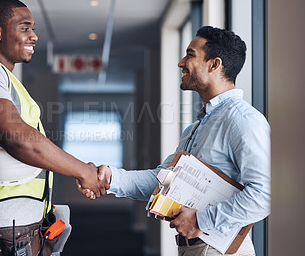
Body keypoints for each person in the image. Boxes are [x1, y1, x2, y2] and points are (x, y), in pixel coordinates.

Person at [80, 26, 270, 255]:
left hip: (217, 248)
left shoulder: (243, 121)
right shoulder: (197, 127)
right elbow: (163, 180)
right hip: (194, 246)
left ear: (214, 64)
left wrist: (201, 220)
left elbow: (264, 195)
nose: (181, 62)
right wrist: (110, 177)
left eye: (190, 55)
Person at [0, 0, 108, 255]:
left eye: (33, 28)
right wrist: (83, 171)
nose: (33, 36)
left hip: (21, 234)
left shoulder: (7, 80)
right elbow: (16, 138)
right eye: (25, 27)